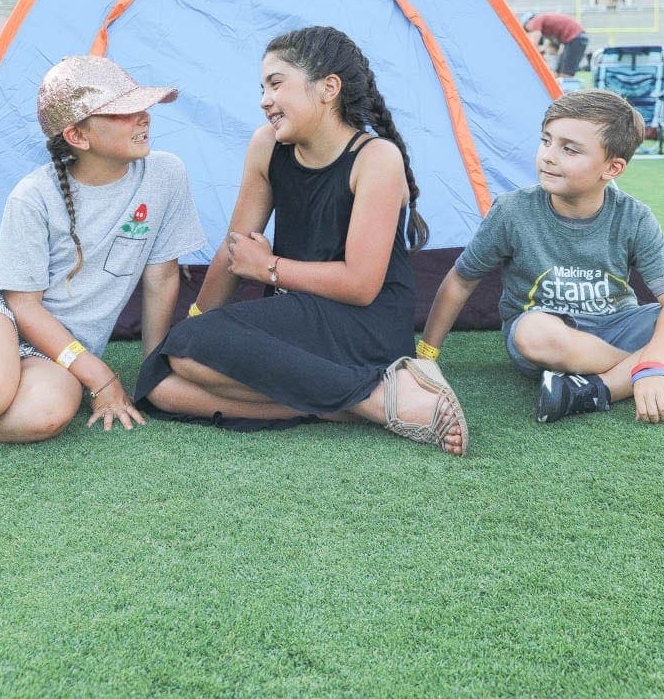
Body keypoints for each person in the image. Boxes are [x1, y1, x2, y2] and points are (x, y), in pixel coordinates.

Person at [134, 26, 469, 455]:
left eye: (276, 84)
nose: (264, 100)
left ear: (329, 88)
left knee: (187, 351)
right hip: (301, 319)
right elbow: (235, 248)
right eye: (262, 87)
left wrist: (268, 269)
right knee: (162, 385)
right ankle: (362, 405)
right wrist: (199, 318)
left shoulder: (376, 158)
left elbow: (362, 285)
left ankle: (377, 393)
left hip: (367, 326)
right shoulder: (266, 145)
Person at [0, 56, 205, 443]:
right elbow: (24, 306)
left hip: (63, 340)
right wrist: (99, 375)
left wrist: (151, 370)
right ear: (78, 137)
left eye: (141, 106)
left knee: (45, 416)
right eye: (122, 111)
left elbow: (161, 276)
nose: (143, 117)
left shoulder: (167, 174)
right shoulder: (33, 196)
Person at [420, 88, 664, 425]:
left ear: (612, 167)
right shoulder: (513, 211)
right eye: (546, 141)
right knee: (533, 332)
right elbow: (461, 280)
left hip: (619, 323)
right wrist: (427, 354)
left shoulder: (633, 216)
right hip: (550, 332)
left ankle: (601, 388)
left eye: (569, 150)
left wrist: (654, 362)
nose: (548, 156)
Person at [521, 11, 589, 78]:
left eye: (526, 29)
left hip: (576, 38)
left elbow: (533, 46)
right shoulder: (545, 25)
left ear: (528, 21)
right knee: (559, 71)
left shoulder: (537, 20)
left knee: (566, 72)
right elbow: (553, 47)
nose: (529, 31)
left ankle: (565, 86)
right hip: (575, 38)